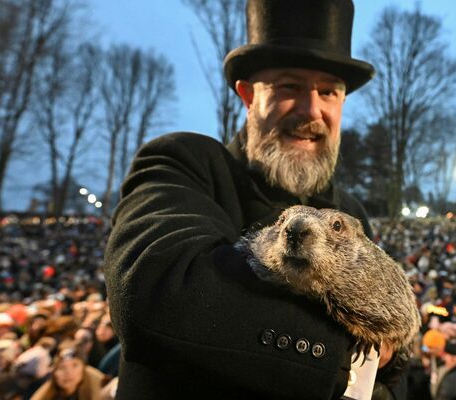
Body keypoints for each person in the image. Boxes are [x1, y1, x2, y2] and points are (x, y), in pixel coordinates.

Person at [102, 0, 408, 398]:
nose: (310, 109)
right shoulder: (184, 163)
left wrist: (390, 360)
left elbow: (390, 346)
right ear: (248, 95)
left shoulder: (349, 212)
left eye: (328, 91)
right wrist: (347, 363)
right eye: (289, 86)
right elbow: (155, 292)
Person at [31, 344, 104, 400]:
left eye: (75, 365)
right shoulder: (43, 395)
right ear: (54, 374)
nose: (68, 372)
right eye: (62, 368)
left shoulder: (97, 388)